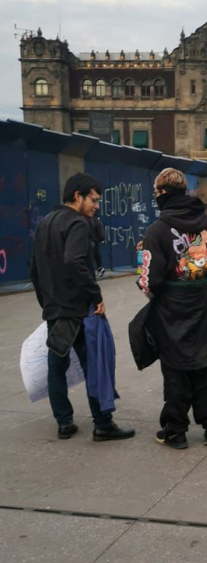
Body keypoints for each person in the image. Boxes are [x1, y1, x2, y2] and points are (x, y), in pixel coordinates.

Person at [30, 173, 135, 442]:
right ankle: (103, 424)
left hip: (56, 310)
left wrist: (47, 303)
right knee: (94, 364)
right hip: (78, 310)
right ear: (78, 196)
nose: (97, 205)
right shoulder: (77, 223)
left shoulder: (45, 224)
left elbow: (35, 269)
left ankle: (64, 423)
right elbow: (75, 261)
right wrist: (96, 295)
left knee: (57, 366)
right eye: (94, 199)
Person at [137, 168, 207, 449]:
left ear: (161, 194)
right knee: (204, 365)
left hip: (171, 309)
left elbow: (149, 281)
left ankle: (175, 430)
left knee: (175, 368)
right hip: (203, 302)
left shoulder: (158, 229)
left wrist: (144, 269)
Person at [88, 212, 105, 278]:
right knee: (96, 255)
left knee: (90, 257)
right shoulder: (96, 220)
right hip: (95, 240)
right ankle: (99, 268)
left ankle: (97, 270)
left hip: (91, 240)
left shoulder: (90, 220)